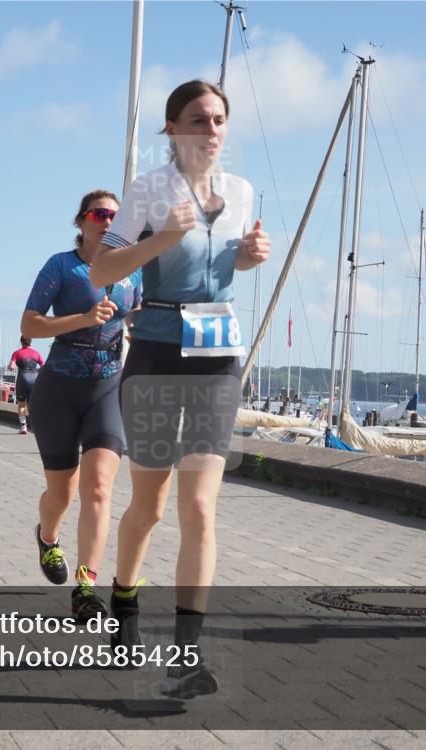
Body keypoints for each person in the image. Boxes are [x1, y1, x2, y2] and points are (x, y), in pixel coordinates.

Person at [90, 80, 270, 697]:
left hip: (218, 351)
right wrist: (163, 237)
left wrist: (249, 255)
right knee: (150, 505)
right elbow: (102, 271)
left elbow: (226, 267)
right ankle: (125, 603)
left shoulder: (241, 192)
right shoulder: (147, 190)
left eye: (219, 120)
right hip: (159, 350)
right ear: (172, 130)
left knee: (198, 508)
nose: (211, 130)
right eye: (198, 120)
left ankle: (187, 655)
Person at [22, 189, 141, 620]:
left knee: (99, 487)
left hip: (108, 386)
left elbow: (139, 317)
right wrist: (83, 319)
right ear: (82, 221)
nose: (109, 220)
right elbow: (29, 323)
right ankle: (47, 537)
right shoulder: (63, 266)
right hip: (59, 387)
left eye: (116, 215)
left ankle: (86, 585)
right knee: (62, 492)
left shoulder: (132, 271)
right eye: (100, 213)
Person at [7, 336, 44, 434]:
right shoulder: (37, 353)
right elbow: (44, 366)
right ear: (31, 342)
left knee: (21, 405)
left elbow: (11, 367)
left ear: (21, 341)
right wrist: (36, 371)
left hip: (22, 379)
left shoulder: (17, 353)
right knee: (32, 406)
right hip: (34, 380)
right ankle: (37, 427)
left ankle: (23, 426)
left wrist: (10, 366)